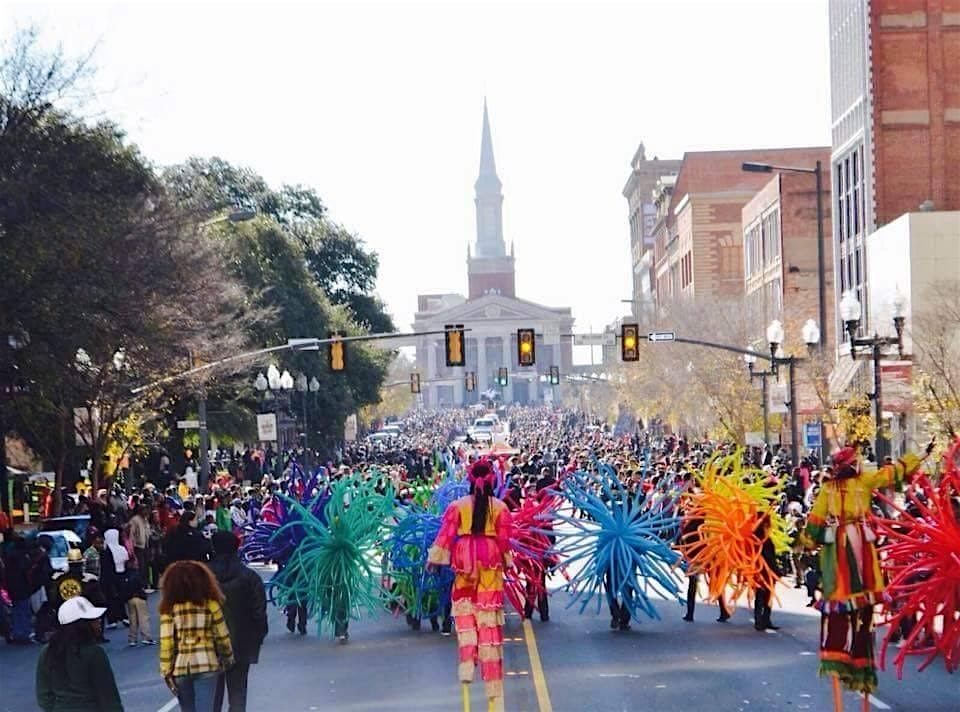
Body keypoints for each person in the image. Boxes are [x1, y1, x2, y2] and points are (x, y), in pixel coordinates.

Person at [802, 443, 931, 712]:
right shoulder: (864, 482)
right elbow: (892, 472)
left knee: (839, 621)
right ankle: (862, 692)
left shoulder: (827, 490)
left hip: (838, 558)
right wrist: (918, 456)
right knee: (863, 622)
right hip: (865, 558)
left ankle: (841, 693)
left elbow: (813, 526)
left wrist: (805, 541)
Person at [427, 460, 512, 706]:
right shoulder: (500, 508)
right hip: (490, 562)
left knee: (465, 617)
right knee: (488, 621)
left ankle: (466, 666)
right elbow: (505, 542)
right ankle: (492, 684)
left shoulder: (457, 507)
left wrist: (434, 559)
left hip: (464, 559)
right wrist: (507, 562)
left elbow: (444, 535)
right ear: (492, 481)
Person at [159, 560, 235, 712]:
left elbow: (167, 643)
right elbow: (222, 637)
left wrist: (166, 670)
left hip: (181, 667)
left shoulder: (168, 608)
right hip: (207, 663)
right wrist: (227, 659)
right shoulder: (211, 604)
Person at [209, 531, 267, 712]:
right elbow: (259, 613)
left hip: (209, 644)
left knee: (211, 698)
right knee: (238, 694)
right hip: (242, 643)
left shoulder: (202, 577)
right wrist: (257, 638)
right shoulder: (250, 577)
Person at [35, 596, 124, 711]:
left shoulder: (47, 651)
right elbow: (108, 697)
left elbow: (44, 696)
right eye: (93, 619)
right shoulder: (94, 653)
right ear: (82, 625)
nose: (99, 621)